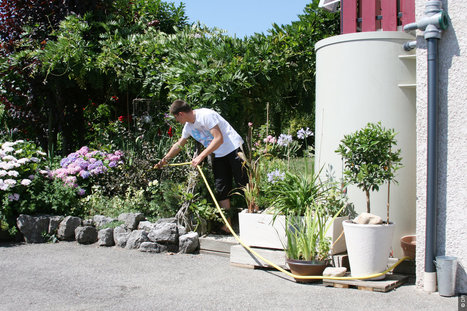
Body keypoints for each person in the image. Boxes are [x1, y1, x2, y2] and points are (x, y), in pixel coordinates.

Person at [155, 100, 248, 233]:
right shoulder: (188, 127)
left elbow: (218, 139)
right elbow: (179, 144)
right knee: (221, 188)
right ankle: (227, 225)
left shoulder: (205, 115)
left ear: (180, 114)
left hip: (234, 148)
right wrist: (164, 160)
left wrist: (201, 156)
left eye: (176, 117)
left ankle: (254, 216)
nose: (177, 121)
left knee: (244, 184)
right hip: (219, 154)